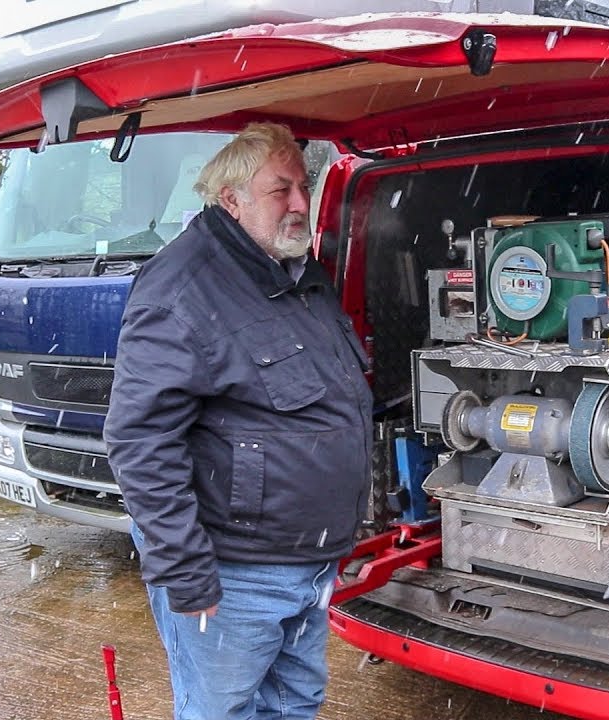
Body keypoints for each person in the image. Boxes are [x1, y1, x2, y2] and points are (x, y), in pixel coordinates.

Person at [104, 122, 373, 720]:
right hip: (235, 574)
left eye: (303, 187)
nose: (300, 203)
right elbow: (140, 440)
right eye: (281, 190)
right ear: (231, 198)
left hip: (306, 560)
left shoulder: (293, 269)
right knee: (222, 711)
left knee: (293, 705)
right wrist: (187, 572)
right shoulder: (183, 288)